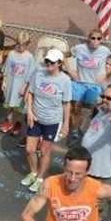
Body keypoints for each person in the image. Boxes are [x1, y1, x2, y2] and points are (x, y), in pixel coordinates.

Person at [22, 49, 72, 193]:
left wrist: (66, 124)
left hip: (52, 121)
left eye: (52, 62)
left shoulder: (65, 80)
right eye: (47, 61)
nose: (48, 64)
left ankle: (40, 178)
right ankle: (33, 172)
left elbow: (66, 103)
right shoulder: (39, 74)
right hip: (36, 118)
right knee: (29, 149)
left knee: (44, 151)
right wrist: (30, 111)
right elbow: (30, 93)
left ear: (60, 63)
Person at [81, 84, 111, 220]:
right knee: (84, 204)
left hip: (103, 173)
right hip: (88, 168)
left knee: (98, 209)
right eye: (103, 96)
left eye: (110, 98)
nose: (105, 100)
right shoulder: (101, 111)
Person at [64, 29, 111, 142]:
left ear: (102, 40)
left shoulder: (105, 51)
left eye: (99, 38)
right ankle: (75, 131)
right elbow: (63, 55)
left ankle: (87, 130)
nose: (95, 41)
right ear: (88, 39)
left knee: (91, 110)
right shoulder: (80, 48)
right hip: (79, 83)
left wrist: (105, 74)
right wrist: (70, 71)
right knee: (75, 108)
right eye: (93, 38)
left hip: (94, 85)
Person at [0, 32, 35, 136]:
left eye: (23, 45)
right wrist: (4, 81)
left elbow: (31, 74)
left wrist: (25, 86)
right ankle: (8, 121)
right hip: (11, 83)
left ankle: (18, 123)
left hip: (21, 85)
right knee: (9, 104)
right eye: (19, 44)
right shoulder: (11, 54)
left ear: (27, 44)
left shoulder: (29, 57)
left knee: (19, 106)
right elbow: (7, 69)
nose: (21, 47)